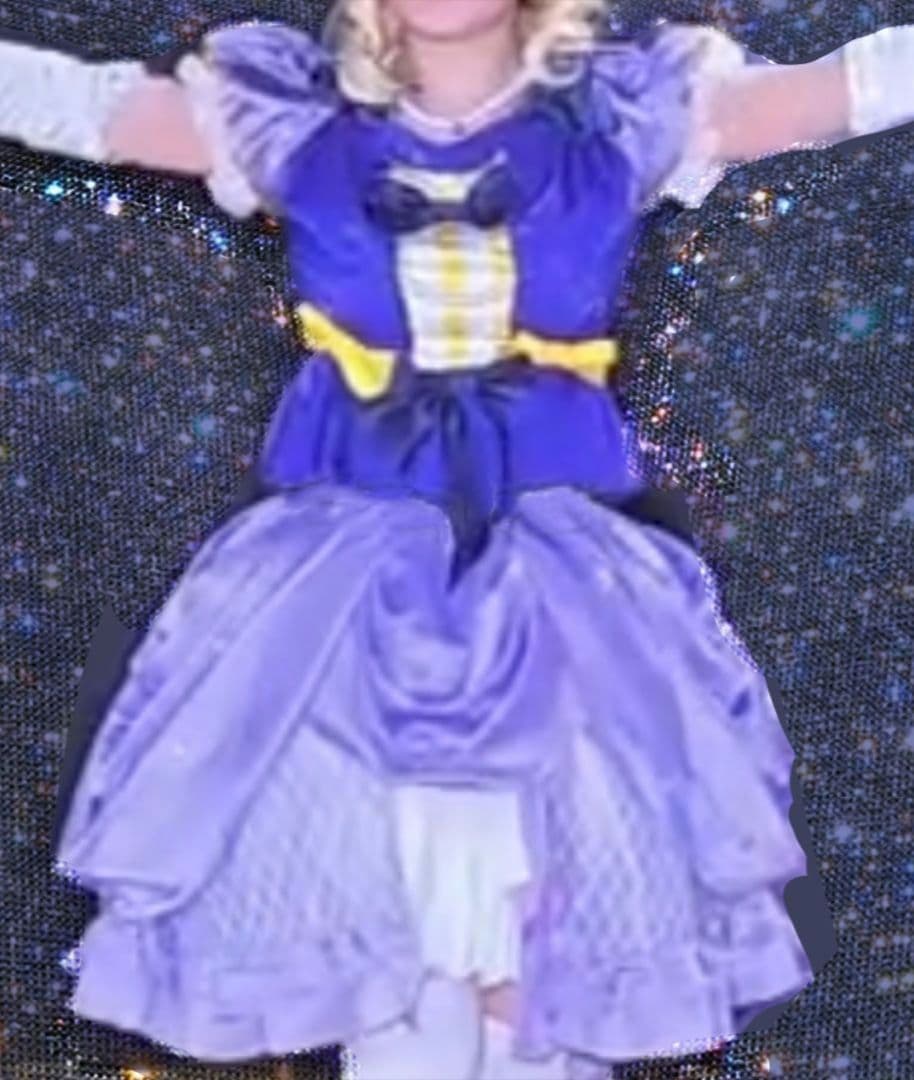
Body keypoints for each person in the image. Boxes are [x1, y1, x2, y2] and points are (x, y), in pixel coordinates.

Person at [1, 1, 911, 1076]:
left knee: (544, 946)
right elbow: (68, 104)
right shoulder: (290, 119)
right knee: (391, 945)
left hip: (562, 580)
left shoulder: (626, 113)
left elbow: (838, 92)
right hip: (342, 582)